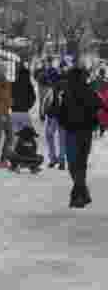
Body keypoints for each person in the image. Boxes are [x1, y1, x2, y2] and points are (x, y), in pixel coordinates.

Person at [59, 64, 99, 208]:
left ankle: (79, 196)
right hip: (86, 133)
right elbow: (98, 105)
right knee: (80, 164)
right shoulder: (90, 91)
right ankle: (82, 194)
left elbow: (61, 113)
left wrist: (63, 122)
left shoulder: (67, 93)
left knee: (73, 165)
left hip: (72, 132)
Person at [4, 63, 37, 165]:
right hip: (24, 113)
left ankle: (13, 160)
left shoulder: (13, 84)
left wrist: (11, 106)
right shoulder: (29, 85)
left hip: (14, 113)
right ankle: (28, 158)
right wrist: (27, 106)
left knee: (14, 137)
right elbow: (33, 99)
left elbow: (8, 97)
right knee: (28, 137)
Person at [41, 74, 67, 169]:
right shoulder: (69, 89)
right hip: (64, 118)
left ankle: (52, 159)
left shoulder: (53, 89)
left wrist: (43, 114)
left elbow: (46, 101)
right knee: (62, 140)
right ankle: (62, 161)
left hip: (52, 117)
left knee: (49, 136)